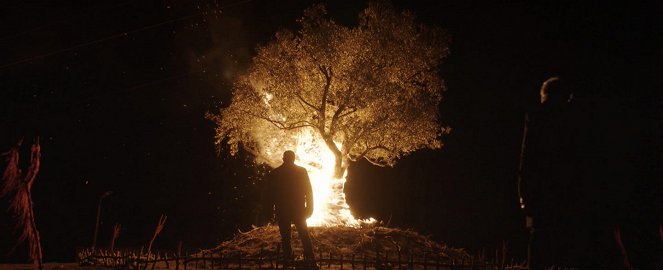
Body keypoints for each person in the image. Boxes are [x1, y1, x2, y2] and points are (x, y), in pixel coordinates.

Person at [518, 77, 585, 269]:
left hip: (542, 194)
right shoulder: (575, 117)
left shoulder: (537, 115)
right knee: (567, 248)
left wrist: (524, 196)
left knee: (539, 247)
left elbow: (527, 157)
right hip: (569, 193)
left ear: (544, 95)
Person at [263, 150, 315, 266]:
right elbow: (309, 191)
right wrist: (310, 207)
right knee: (304, 234)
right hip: (298, 209)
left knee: (286, 237)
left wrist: (270, 211)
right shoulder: (301, 171)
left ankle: (288, 259)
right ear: (294, 158)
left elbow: (270, 194)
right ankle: (310, 258)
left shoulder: (275, 173)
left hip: (282, 209)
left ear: (283, 158)